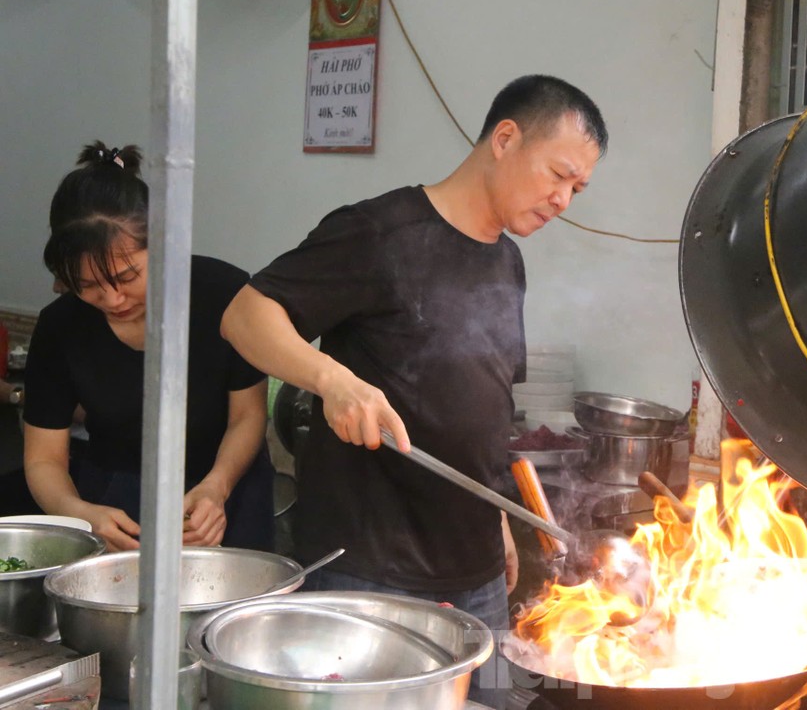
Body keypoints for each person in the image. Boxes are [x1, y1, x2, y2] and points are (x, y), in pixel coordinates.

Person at [220, 74, 606, 707]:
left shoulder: (507, 261)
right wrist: (333, 380)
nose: (564, 199)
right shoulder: (380, 233)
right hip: (371, 574)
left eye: (578, 189)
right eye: (559, 174)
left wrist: (498, 521)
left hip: (477, 576)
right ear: (505, 139)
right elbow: (244, 315)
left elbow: (485, 406)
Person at [22, 142, 274, 552]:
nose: (113, 299)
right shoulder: (60, 326)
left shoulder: (223, 294)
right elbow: (42, 458)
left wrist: (217, 487)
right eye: (87, 286)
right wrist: (79, 513)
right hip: (113, 502)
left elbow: (247, 416)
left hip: (226, 493)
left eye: (127, 276)